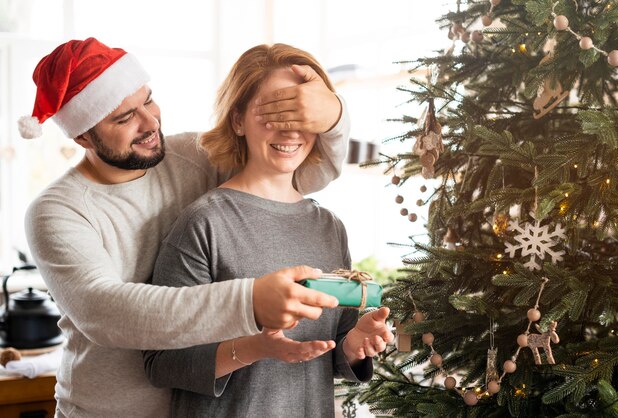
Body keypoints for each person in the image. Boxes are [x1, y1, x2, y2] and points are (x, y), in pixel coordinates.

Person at [19, 37, 351, 417]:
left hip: (196, 404)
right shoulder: (57, 210)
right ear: (82, 136)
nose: (149, 122)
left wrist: (334, 116)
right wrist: (250, 301)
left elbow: (298, 174)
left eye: (147, 100)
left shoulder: (193, 156)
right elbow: (105, 312)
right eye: (124, 118)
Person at [142, 43, 393, 418]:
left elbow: (333, 347)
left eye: (301, 112)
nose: (290, 129)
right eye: (274, 111)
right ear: (238, 120)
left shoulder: (329, 228)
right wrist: (255, 347)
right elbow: (160, 363)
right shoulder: (204, 223)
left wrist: (354, 344)